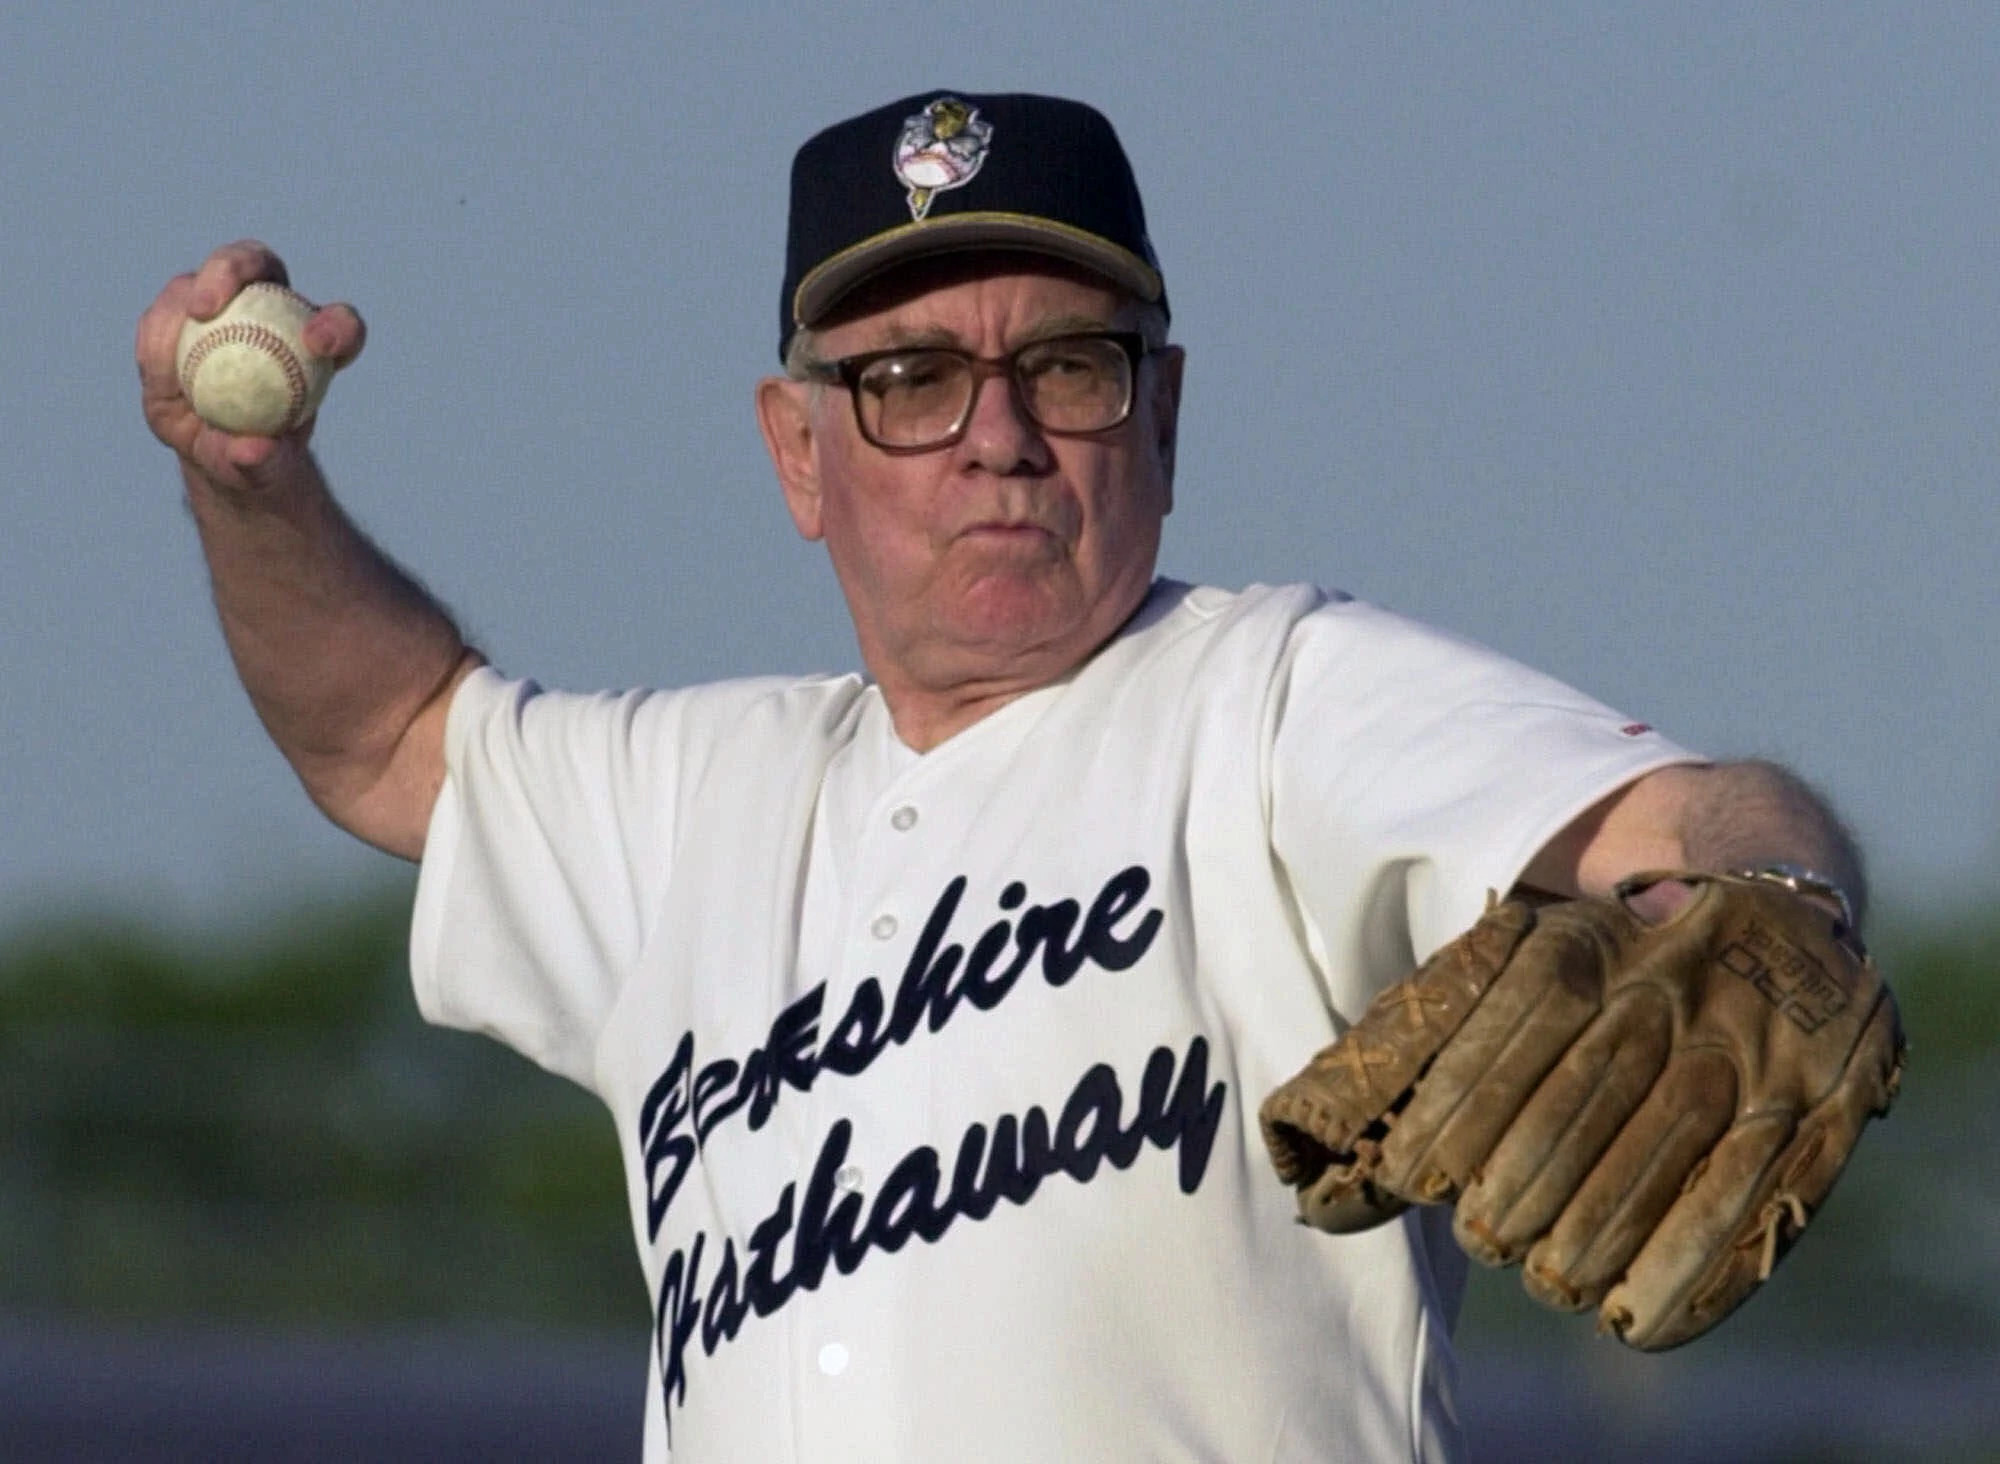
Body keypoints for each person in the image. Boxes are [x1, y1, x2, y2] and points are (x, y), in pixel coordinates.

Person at [139, 91, 1866, 1462]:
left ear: (1163, 416)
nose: (999, 433)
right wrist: (248, 490)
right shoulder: (693, 804)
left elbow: (1691, 814)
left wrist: (1766, 900)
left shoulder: (1272, 703)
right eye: (909, 378)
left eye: (1067, 364)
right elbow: (383, 735)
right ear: (797, 454)